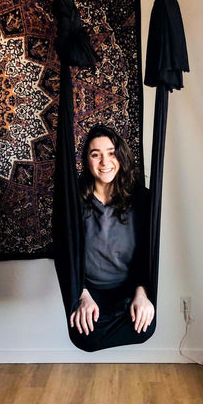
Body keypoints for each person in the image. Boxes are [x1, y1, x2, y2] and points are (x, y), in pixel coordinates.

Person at [68, 124, 156, 352]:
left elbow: (147, 253)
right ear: (86, 161)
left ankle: (126, 307)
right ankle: (110, 311)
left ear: (121, 156)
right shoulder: (74, 201)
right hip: (90, 289)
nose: (105, 162)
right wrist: (82, 294)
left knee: (145, 327)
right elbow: (66, 251)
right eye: (95, 155)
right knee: (83, 336)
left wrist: (142, 292)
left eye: (111, 153)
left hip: (128, 288)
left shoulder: (141, 199)